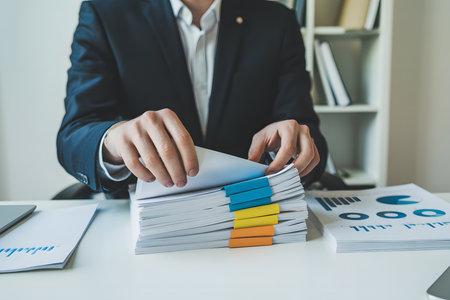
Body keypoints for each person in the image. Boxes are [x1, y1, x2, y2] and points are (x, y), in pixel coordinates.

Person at [57, 0, 328, 196]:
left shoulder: (277, 21)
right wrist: (115, 140)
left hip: (251, 216)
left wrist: (294, 146)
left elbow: (309, 134)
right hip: (143, 221)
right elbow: (75, 135)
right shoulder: (105, 13)